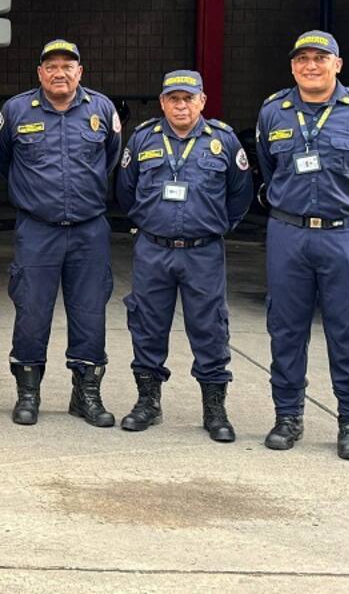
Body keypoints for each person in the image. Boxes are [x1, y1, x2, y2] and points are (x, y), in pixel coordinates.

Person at [256, 30, 349, 460]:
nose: (311, 66)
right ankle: (287, 416)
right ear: (293, 66)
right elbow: (268, 167)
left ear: (337, 64)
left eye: (321, 58)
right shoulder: (273, 113)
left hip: (345, 235)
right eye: (302, 59)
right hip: (289, 234)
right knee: (285, 328)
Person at [114, 70, 252, 441]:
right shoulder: (143, 139)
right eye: (173, 98)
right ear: (162, 103)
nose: (180, 105)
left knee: (209, 328)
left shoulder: (222, 141)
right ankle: (148, 402)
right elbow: (125, 193)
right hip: (153, 249)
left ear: (202, 101)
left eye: (188, 98)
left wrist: (214, 226)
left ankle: (214, 409)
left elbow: (240, 196)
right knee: (146, 325)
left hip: (202, 252)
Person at [0, 39, 121, 427]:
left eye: (68, 66)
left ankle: (86, 395)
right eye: (51, 66)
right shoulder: (16, 110)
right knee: (31, 312)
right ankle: (28, 395)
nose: (59, 73)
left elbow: (112, 158)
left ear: (80, 72)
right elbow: (1, 160)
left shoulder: (101, 109)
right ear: (40, 73)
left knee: (90, 313)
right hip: (37, 230)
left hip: (89, 231)